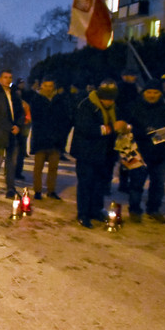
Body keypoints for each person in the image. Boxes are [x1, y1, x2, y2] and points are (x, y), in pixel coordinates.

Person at [70, 80, 126, 228]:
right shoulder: (87, 106)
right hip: (86, 152)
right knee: (86, 184)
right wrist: (111, 127)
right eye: (106, 98)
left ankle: (96, 210)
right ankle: (83, 214)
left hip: (105, 153)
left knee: (100, 184)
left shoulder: (114, 108)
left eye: (111, 99)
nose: (108, 102)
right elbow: (86, 129)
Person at [125, 80, 165, 224]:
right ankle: (134, 209)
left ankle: (154, 209)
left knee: (158, 184)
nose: (152, 95)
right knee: (136, 183)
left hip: (161, 152)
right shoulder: (134, 106)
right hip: (138, 151)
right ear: (143, 93)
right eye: (149, 92)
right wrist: (142, 132)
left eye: (155, 92)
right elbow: (127, 127)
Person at [28, 77, 69, 200]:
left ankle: (51, 190)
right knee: (38, 167)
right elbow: (36, 118)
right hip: (41, 138)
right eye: (45, 86)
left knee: (53, 168)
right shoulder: (36, 100)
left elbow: (64, 118)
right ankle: (38, 190)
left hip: (55, 139)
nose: (48, 88)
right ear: (41, 87)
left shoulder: (59, 100)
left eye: (50, 86)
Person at [0, 69, 24, 202]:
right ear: (0, 79)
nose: (8, 80)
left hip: (13, 134)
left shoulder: (15, 95)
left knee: (11, 164)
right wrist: (10, 127)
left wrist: (18, 125)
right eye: (5, 77)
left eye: (10, 77)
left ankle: (10, 188)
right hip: (0, 134)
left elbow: (20, 112)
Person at [116, 69, 141, 194]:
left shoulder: (135, 89)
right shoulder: (122, 89)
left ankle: (126, 182)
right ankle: (123, 182)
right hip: (123, 125)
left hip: (132, 124)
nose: (133, 78)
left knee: (129, 154)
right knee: (125, 153)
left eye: (134, 75)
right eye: (130, 76)